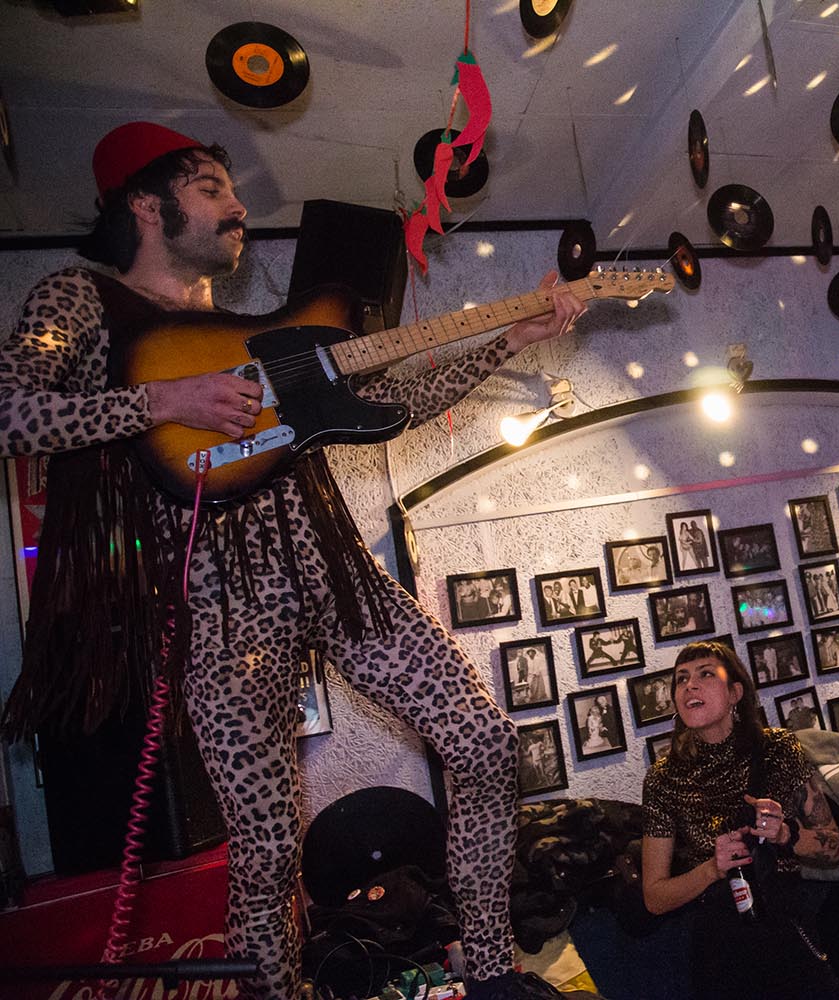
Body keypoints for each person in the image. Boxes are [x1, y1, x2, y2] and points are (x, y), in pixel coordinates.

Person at [0, 122, 586, 1000]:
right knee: (268, 843)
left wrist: (511, 340)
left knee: (486, 741)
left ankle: (493, 969)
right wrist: (164, 398)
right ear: (144, 204)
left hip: (333, 572)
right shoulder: (78, 303)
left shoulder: (255, 322)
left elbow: (389, 402)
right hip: (220, 608)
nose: (238, 206)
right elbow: (10, 413)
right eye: (209, 187)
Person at [640, 641, 839, 1000]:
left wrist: (785, 833)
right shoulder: (662, 778)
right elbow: (655, 898)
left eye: (706, 674)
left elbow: (834, 848)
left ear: (735, 692)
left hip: (785, 930)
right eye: (681, 680)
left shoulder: (778, 749)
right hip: (720, 947)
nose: (690, 686)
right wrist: (712, 869)